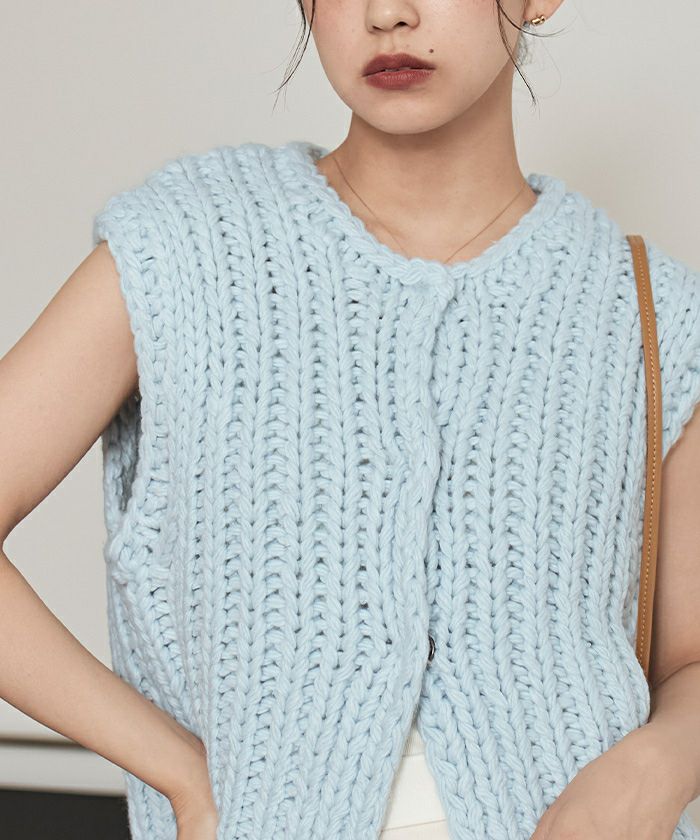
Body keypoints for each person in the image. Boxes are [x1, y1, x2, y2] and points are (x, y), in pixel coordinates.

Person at [1, 1, 700, 839]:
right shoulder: (186, 250)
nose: (386, 14)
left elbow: (689, 662)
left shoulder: (647, 311)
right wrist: (181, 773)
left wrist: (659, 767)